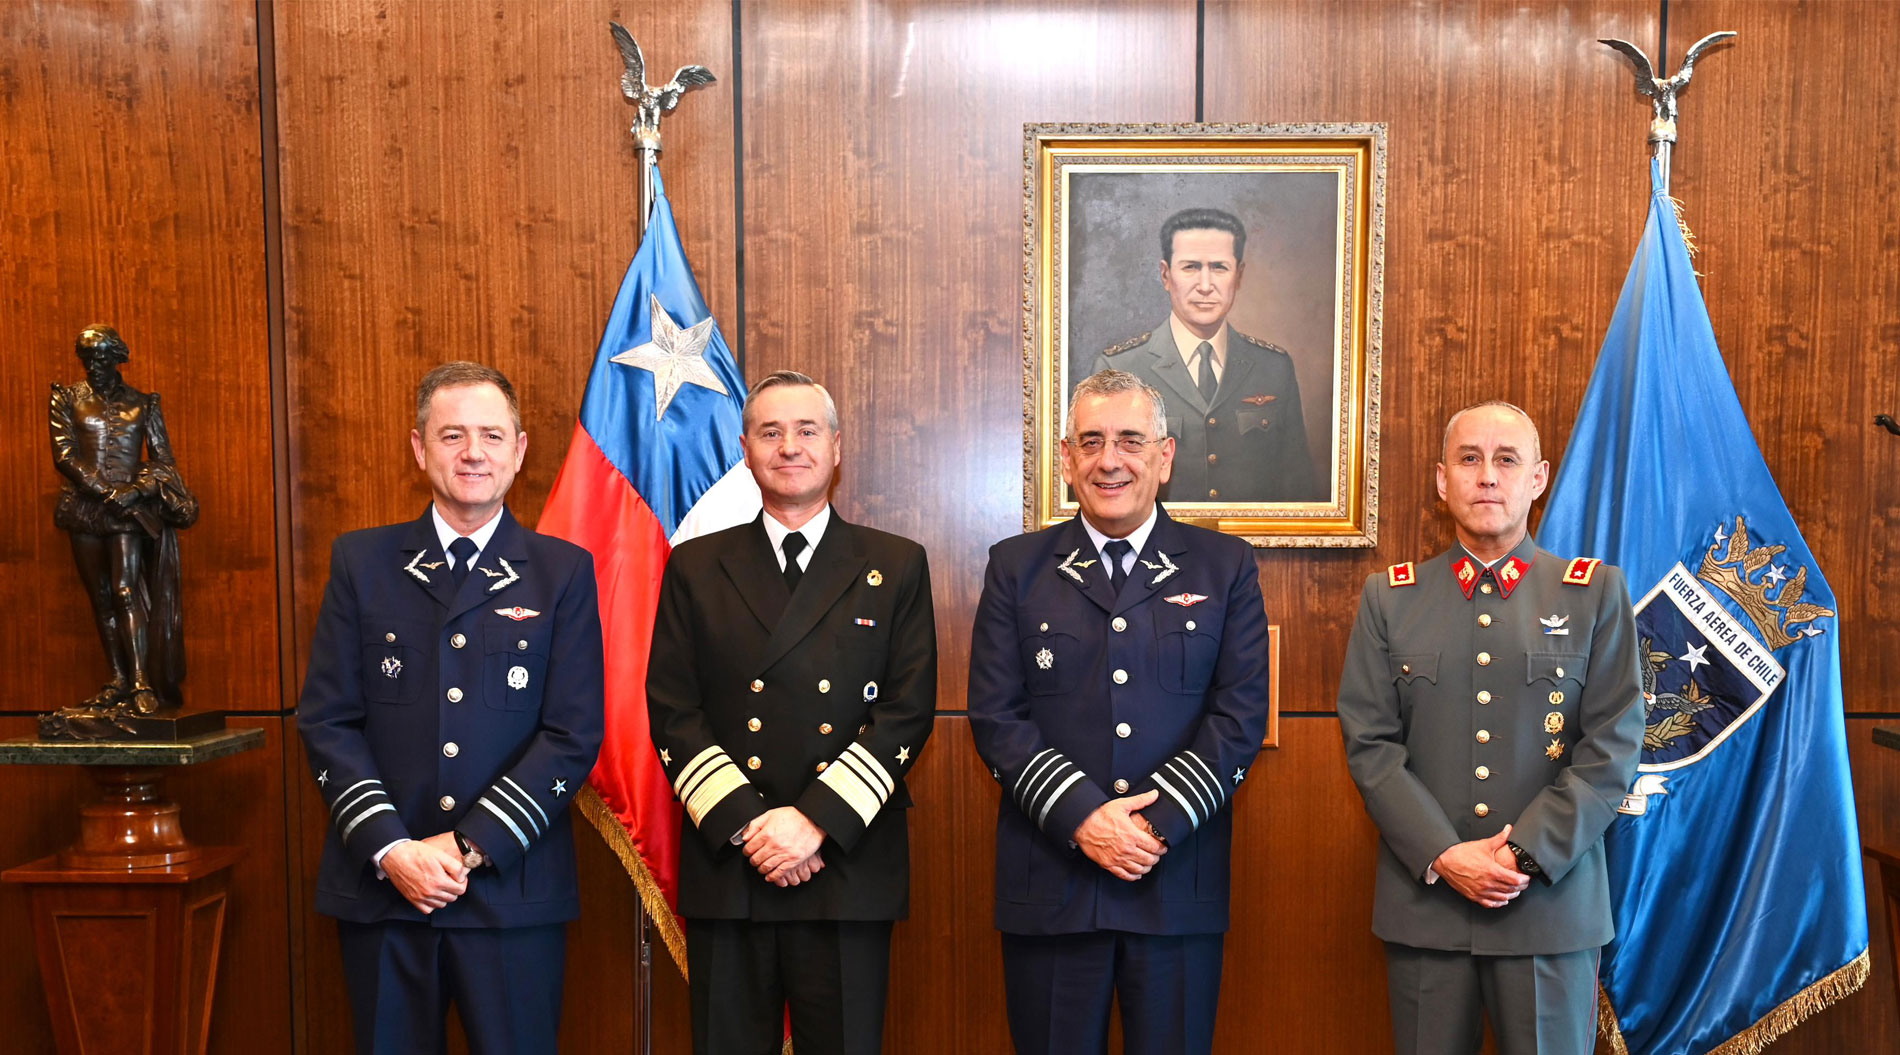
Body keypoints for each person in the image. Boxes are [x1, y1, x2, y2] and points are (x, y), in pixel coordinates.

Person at [297, 362, 605, 1055]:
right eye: (452, 435)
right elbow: (328, 720)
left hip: (512, 893)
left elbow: (573, 732)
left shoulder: (561, 572)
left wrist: (467, 846)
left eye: (491, 436)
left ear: (518, 451)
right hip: (386, 889)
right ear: (419, 448)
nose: (473, 453)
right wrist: (392, 848)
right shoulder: (362, 562)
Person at [967, 368, 1272, 1054]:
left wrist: (1149, 827)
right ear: (1066, 458)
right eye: (1092, 441)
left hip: (1175, 881)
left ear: (1164, 457)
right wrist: (1084, 818)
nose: (1111, 460)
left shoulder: (1224, 566)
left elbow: (1239, 717)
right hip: (1052, 881)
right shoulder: (1016, 567)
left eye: (1131, 441)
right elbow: (996, 716)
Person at [1335, 401, 1644, 1055]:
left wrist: (1521, 856)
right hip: (1428, 907)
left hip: (1548, 909)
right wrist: (1446, 855)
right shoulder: (1390, 598)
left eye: (1506, 459)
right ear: (1441, 479)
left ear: (1538, 478)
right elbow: (1370, 745)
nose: (1486, 476)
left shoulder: (1593, 595)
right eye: (1469, 458)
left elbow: (1612, 748)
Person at [647, 370, 937, 1055]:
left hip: (845, 861)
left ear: (836, 447)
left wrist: (813, 822)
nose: (789, 446)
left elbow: (907, 710)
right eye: (770, 432)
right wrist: (754, 827)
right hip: (733, 859)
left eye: (807, 430)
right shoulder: (695, 565)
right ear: (745, 451)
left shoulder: (895, 564)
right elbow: (673, 709)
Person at [1091, 207, 1322, 504]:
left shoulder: (1274, 367)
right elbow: (1100, 482)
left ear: (1238, 276)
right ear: (1165, 275)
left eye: (1219, 267)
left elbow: (1298, 490)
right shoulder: (1119, 367)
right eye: (1190, 267)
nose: (1204, 286)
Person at [49, 325, 199, 716]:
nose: (92, 366)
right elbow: (65, 456)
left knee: (125, 591)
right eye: (86, 358)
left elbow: (164, 462)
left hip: (128, 512)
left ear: (117, 358)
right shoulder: (66, 398)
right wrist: (105, 492)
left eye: (100, 358)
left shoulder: (143, 404)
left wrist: (133, 491)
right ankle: (118, 678)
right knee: (100, 597)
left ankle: (140, 682)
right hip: (86, 509)